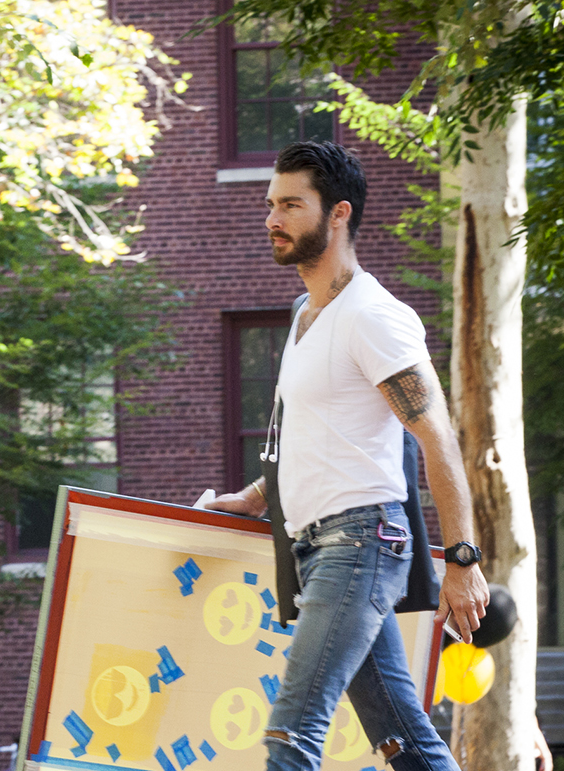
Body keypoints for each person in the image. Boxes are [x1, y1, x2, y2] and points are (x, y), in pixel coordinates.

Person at [202, 140, 490, 771]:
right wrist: (254, 496)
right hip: (319, 545)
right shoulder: (307, 313)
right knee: (403, 738)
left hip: (360, 541)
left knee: (291, 732)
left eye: (289, 205)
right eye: (270, 204)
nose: (271, 219)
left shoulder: (374, 316)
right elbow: (315, 434)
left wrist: (462, 559)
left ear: (337, 213)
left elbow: (435, 436)